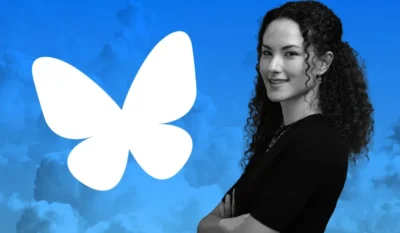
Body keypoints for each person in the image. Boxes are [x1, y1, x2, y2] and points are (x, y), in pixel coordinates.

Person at [197, 1, 374, 233]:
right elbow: (203, 225)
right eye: (267, 53)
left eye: (290, 53)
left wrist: (222, 226)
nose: (273, 66)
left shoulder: (316, 142)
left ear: (323, 63)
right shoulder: (280, 135)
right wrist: (225, 226)